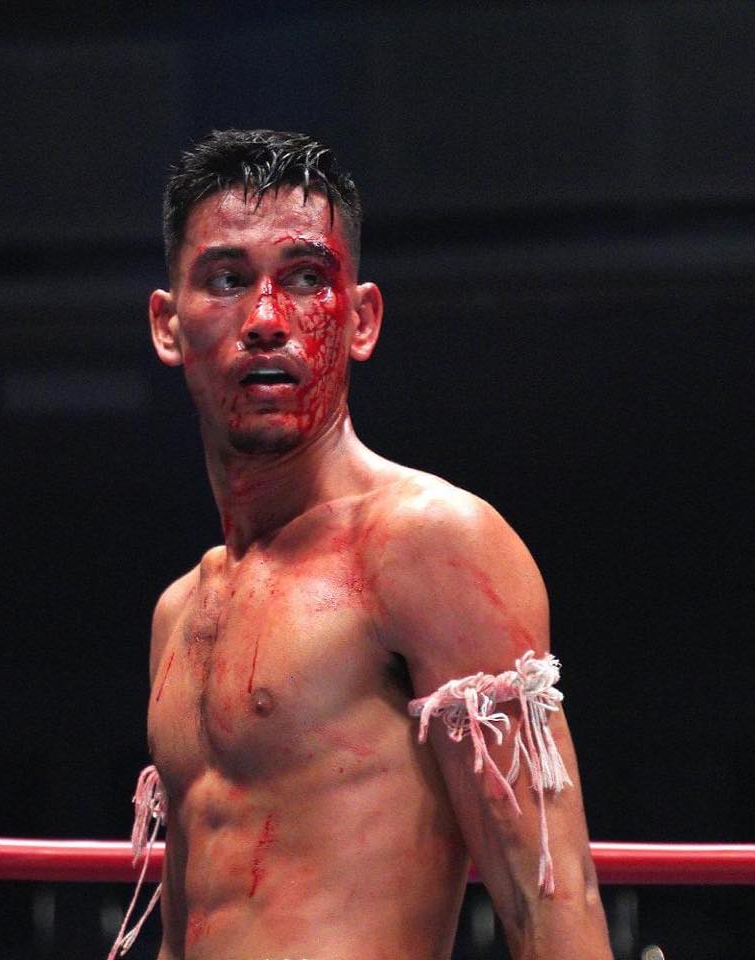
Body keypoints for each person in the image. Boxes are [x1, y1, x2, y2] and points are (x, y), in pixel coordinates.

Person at [122, 129, 611, 959]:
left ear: (361, 319)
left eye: (306, 279)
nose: (267, 320)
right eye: (228, 279)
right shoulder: (181, 612)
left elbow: (549, 900)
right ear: (168, 325)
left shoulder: (430, 544)